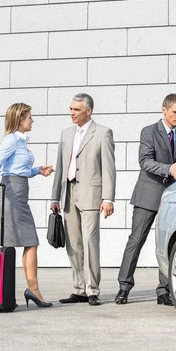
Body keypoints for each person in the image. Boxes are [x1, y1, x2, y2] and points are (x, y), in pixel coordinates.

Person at [115, 93, 176, 306]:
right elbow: (145, 161)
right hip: (148, 194)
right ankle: (124, 287)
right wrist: (169, 169)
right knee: (136, 240)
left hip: (173, 196)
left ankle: (164, 290)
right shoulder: (149, 132)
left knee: (168, 242)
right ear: (164, 110)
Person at [50, 93, 116, 306]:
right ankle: (79, 289)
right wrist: (54, 197)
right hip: (69, 193)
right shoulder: (65, 133)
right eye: (71, 109)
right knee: (74, 244)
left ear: (88, 111)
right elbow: (60, 166)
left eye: (76, 110)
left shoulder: (103, 133)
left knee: (90, 242)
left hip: (91, 195)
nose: (72, 113)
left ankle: (92, 290)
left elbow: (108, 168)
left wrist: (108, 198)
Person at [0, 103, 54, 308]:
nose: (32, 120)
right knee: (25, 242)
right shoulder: (11, 140)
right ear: (19, 120)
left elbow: (18, 169)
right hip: (11, 196)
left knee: (27, 241)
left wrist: (37, 170)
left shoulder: (21, 141)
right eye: (29, 117)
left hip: (19, 194)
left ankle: (19, 291)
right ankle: (28, 290)